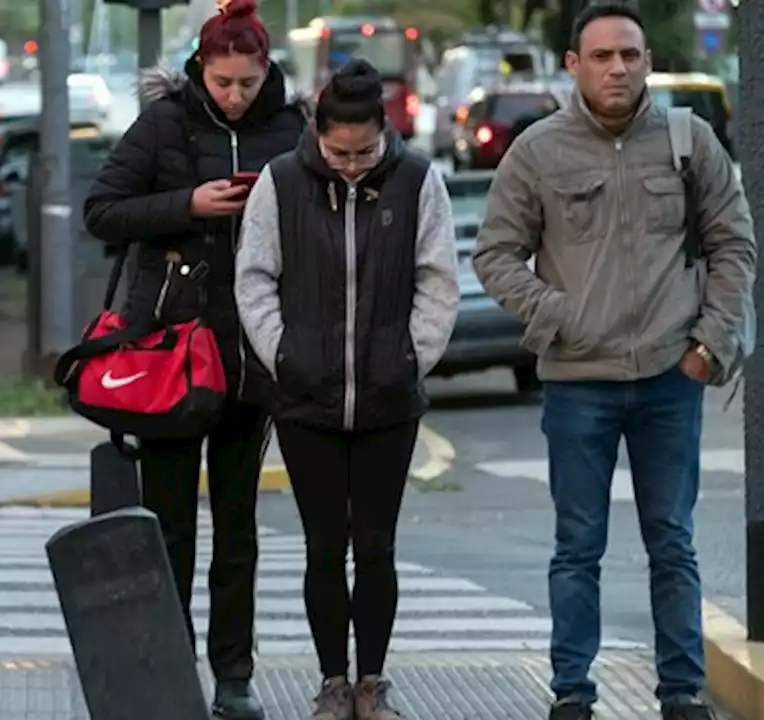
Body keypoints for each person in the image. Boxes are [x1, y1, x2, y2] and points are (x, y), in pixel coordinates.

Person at [472, 5, 756, 720]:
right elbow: (495, 255)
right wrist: (557, 315)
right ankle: (572, 690)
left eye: (629, 54)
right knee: (577, 547)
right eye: (601, 56)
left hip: (669, 377)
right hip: (577, 384)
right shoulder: (537, 151)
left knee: (673, 543)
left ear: (647, 61)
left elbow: (734, 246)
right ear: (574, 65)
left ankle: (681, 690)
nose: (617, 68)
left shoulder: (690, 142)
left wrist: (708, 346)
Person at [81, 0, 306, 716]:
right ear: (199, 71)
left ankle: (233, 675)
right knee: (169, 523)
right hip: (173, 354)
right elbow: (103, 211)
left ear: (265, 70)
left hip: (252, 355)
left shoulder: (292, 127)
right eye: (221, 82)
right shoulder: (165, 122)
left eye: (245, 82)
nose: (233, 95)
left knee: (238, 528)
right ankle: (168, 669)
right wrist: (188, 204)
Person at [235, 59, 460, 720]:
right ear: (318, 134)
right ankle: (333, 680)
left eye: (365, 151)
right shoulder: (281, 183)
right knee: (323, 546)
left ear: (383, 134)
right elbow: (254, 277)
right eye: (339, 152)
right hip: (307, 398)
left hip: (390, 398)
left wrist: (410, 358)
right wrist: (283, 353)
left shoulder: (417, 180)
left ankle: (373, 681)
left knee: (378, 545)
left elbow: (438, 279)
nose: (354, 164)